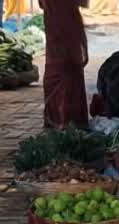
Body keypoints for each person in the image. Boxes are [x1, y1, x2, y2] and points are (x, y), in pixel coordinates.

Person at [40, 0, 88, 128]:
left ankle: (63, 120)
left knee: (63, 75)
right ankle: (68, 121)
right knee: (66, 75)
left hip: (62, 35)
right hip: (61, 35)